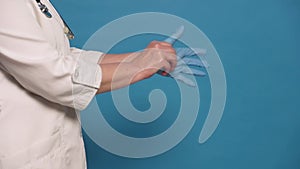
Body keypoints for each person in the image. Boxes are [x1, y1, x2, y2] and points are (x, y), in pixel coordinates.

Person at [0, 0, 207, 168]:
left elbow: (60, 56)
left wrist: (144, 58)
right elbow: (57, 77)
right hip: (24, 155)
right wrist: (140, 66)